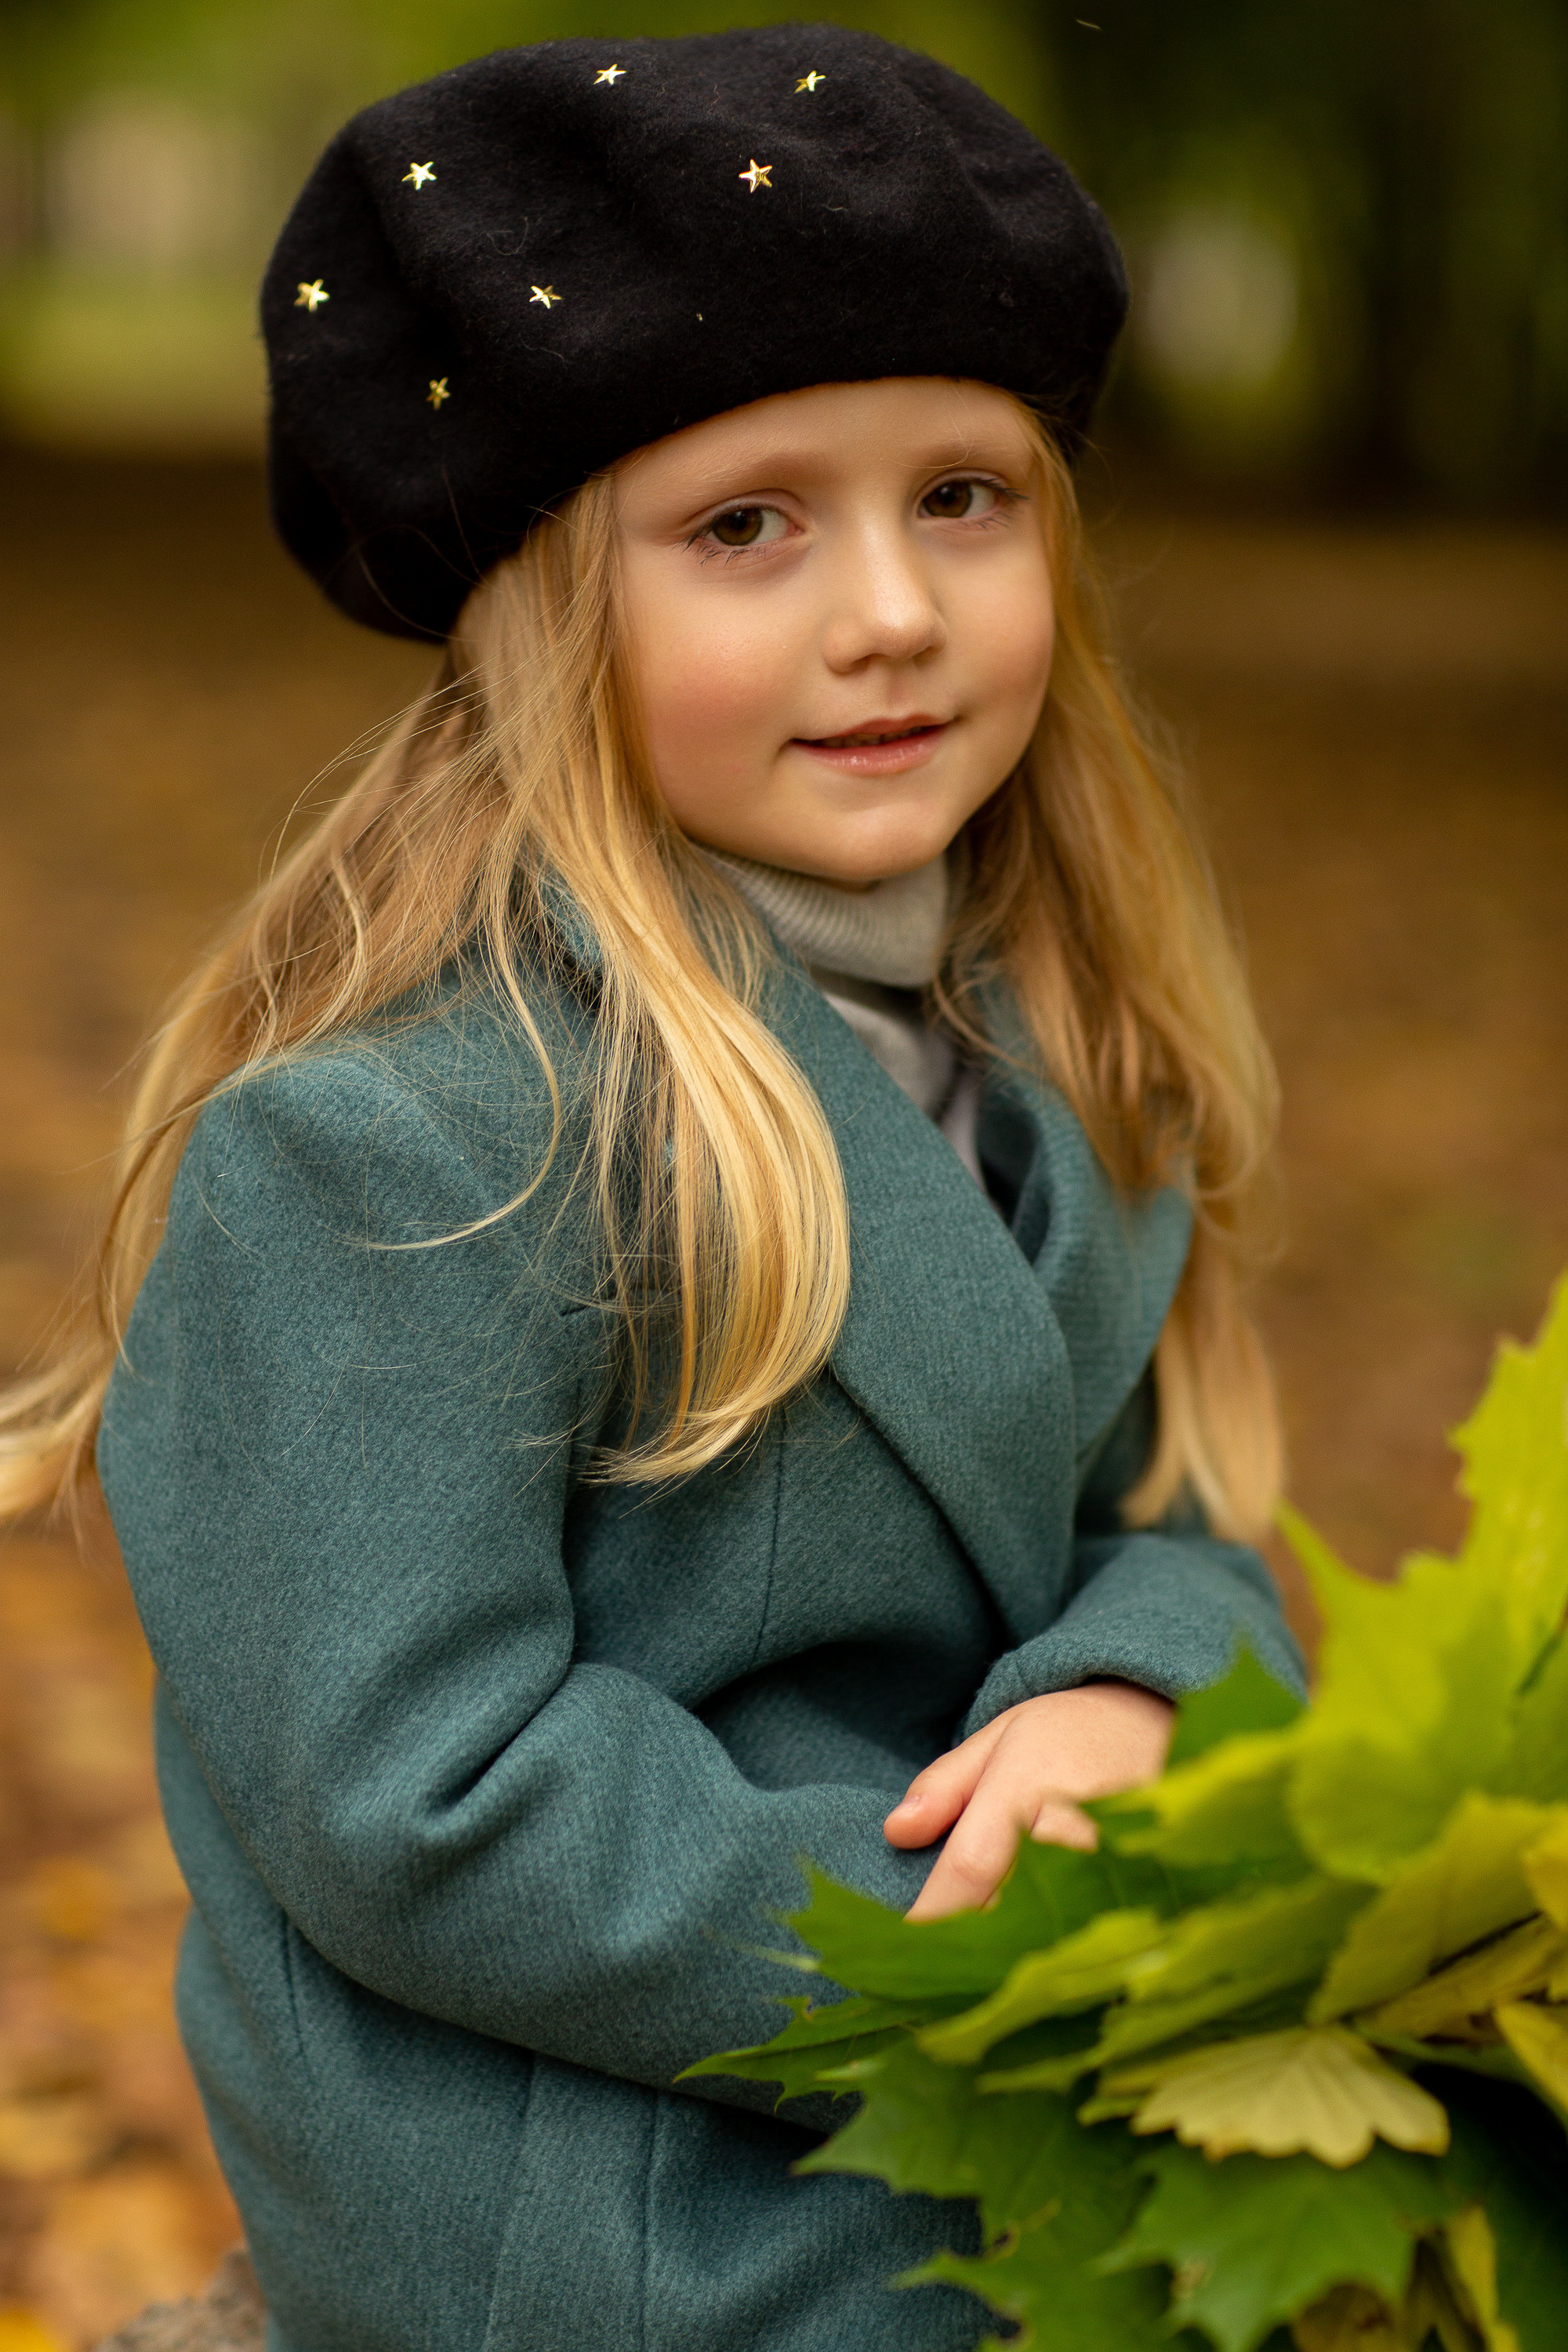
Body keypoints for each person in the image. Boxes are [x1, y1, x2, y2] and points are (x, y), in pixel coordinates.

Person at [0, 25, 1304, 2350]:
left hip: (1008, 2044)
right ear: (536, 607)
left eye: (965, 499)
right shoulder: (398, 1144)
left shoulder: (1068, 1039)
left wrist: (1142, 1696)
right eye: (745, 528)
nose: (890, 611)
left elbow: (1172, 1511)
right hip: (617, 2190)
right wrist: (984, 1952)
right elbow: (428, 1801)